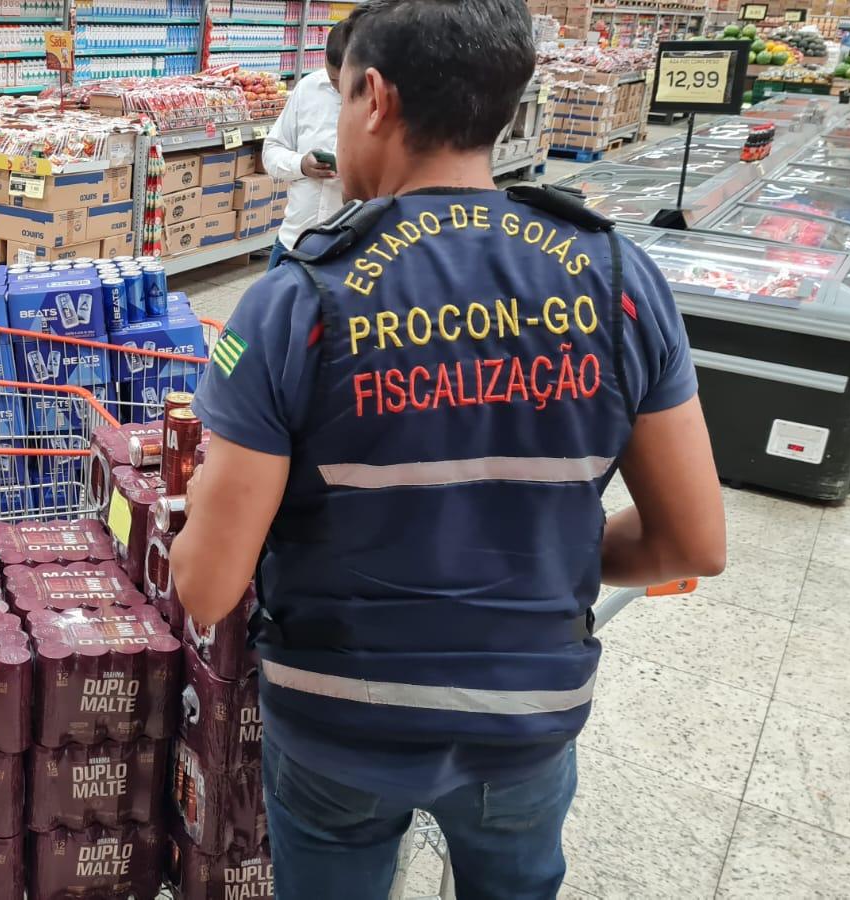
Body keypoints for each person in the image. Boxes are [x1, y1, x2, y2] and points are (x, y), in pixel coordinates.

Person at [169, 1, 727, 898]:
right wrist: (554, 560)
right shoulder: (619, 279)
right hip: (528, 713)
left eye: (343, 94)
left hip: (337, 723)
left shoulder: (299, 298)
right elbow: (694, 542)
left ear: (377, 98)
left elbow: (207, 584)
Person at [260, 22, 348, 269]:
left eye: (346, 80)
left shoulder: (383, 103)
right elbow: (271, 150)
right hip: (293, 239)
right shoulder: (309, 88)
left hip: (346, 250)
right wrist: (301, 164)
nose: (340, 88)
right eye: (333, 79)